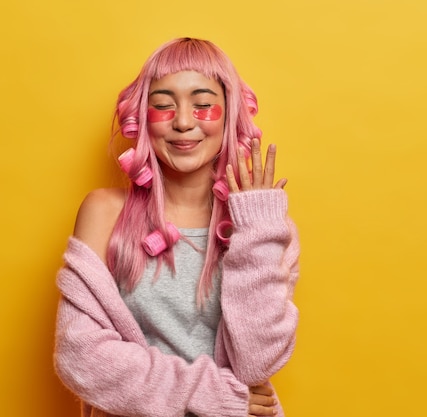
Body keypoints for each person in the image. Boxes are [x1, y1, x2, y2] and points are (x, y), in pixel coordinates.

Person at [54, 37, 300, 417]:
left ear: (229, 114)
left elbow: (256, 364)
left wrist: (256, 229)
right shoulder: (105, 213)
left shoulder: (263, 224)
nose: (184, 122)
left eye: (203, 105)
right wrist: (212, 394)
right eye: (164, 106)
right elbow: (80, 356)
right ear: (143, 118)